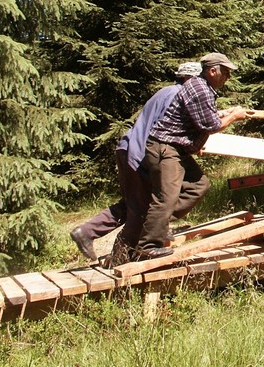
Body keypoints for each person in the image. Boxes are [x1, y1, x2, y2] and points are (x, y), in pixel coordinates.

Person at [70, 62, 203, 262]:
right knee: (141, 210)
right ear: (189, 80)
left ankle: (87, 231)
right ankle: (120, 260)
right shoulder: (179, 96)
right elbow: (168, 132)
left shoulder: (166, 92)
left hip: (129, 148)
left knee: (134, 205)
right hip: (141, 153)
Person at [135, 52, 250, 259]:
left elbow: (202, 117)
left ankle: (157, 224)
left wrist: (225, 112)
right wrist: (234, 116)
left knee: (199, 185)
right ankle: (148, 246)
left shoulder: (202, 87)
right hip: (165, 148)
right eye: (225, 72)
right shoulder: (200, 90)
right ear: (212, 71)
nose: (228, 78)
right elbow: (211, 125)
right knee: (166, 197)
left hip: (176, 149)